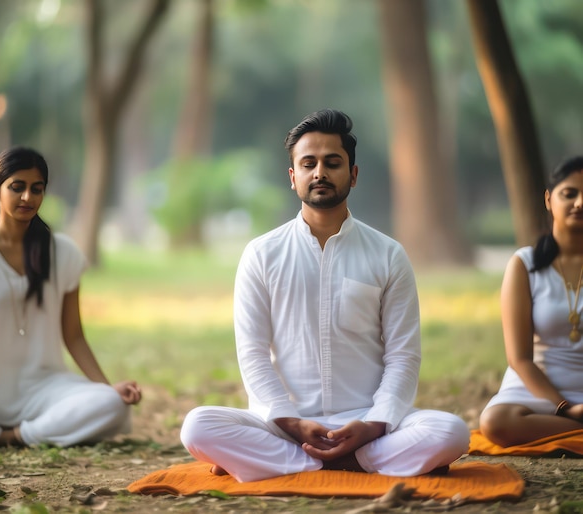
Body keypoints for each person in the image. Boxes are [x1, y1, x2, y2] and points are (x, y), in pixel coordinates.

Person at [180, 109, 469, 482]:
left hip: (366, 419)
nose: (320, 173)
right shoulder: (262, 254)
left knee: (451, 432)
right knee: (197, 426)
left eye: (332, 163)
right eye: (308, 163)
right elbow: (252, 352)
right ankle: (358, 463)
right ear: (293, 176)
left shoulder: (387, 253)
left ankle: (290, 461)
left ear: (353, 174)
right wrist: (293, 423)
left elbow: (403, 354)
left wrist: (374, 424)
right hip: (284, 423)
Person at [0, 146, 142, 449]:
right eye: (17, 187)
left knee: (113, 405)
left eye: (36, 189)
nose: (27, 197)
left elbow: (74, 336)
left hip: (45, 391)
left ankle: (14, 436)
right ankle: (4, 433)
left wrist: (107, 389)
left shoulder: (64, 253)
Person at [480, 155, 583, 447]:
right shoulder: (525, 264)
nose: (579, 203)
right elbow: (520, 359)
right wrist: (565, 407)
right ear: (549, 200)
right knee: (495, 422)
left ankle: (564, 431)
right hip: (537, 385)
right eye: (570, 194)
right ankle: (571, 426)